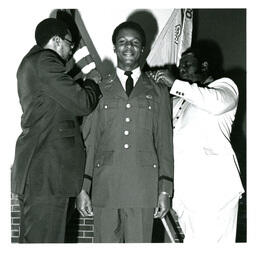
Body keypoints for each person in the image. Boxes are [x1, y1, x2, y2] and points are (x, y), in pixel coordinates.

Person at [76, 21, 174, 243]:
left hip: (142, 189)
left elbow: (164, 143)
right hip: (105, 188)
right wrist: (83, 187)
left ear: (143, 49)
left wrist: (165, 190)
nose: (128, 47)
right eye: (122, 42)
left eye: (134, 42)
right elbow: (89, 141)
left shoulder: (157, 90)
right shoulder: (99, 88)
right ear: (114, 47)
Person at [11, 18, 102, 243]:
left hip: (44, 174)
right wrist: (92, 82)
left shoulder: (36, 63)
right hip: (47, 174)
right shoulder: (45, 61)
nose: (72, 50)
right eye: (70, 43)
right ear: (56, 40)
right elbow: (82, 103)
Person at [152, 41, 245, 242]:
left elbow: (216, 103)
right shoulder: (177, 100)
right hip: (184, 189)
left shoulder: (224, 87)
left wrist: (175, 84)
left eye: (188, 64)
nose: (181, 68)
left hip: (213, 189)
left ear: (204, 66)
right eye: (180, 65)